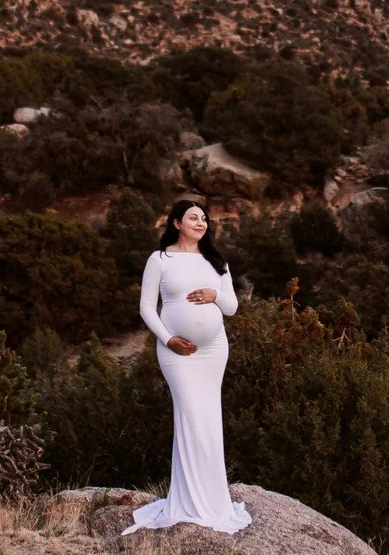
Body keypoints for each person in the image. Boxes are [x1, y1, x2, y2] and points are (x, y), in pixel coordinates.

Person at [120, 199, 253, 536]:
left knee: (209, 420)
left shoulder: (216, 261)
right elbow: (146, 308)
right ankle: (189, 501)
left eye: (204, 218)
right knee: (190, 416)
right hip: (176, 353)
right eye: (193, 217)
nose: (201, 222)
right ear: (177, 223)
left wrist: (214, 295)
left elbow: (232, 307)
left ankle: (214, 501)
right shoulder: (160, 259)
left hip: (214, 349)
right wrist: (168, 339)